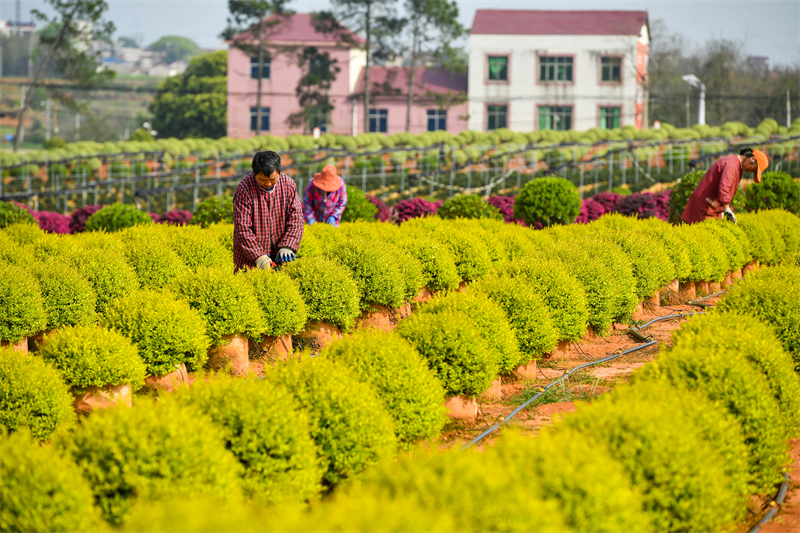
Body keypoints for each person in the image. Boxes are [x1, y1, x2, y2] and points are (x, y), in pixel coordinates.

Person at [232, 151, 303, 272]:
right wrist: (259, 256)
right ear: (254, 173)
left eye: (273, 179)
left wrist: (288, 246)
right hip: (249, 258)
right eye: (262, 180)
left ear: (279, 172)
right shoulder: (244, 189)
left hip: (280, 255)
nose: (268, 183)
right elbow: (242, 228)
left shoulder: (288, 185)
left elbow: (296, 218)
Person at [681, 147, 768, 224]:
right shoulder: (732, 164)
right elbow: (724, 186)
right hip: (704, 207)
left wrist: (723, 210)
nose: (751, 172)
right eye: (754, 170)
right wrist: (726, 208)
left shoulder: (736, 165)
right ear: (752, 159)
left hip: (710, 206)